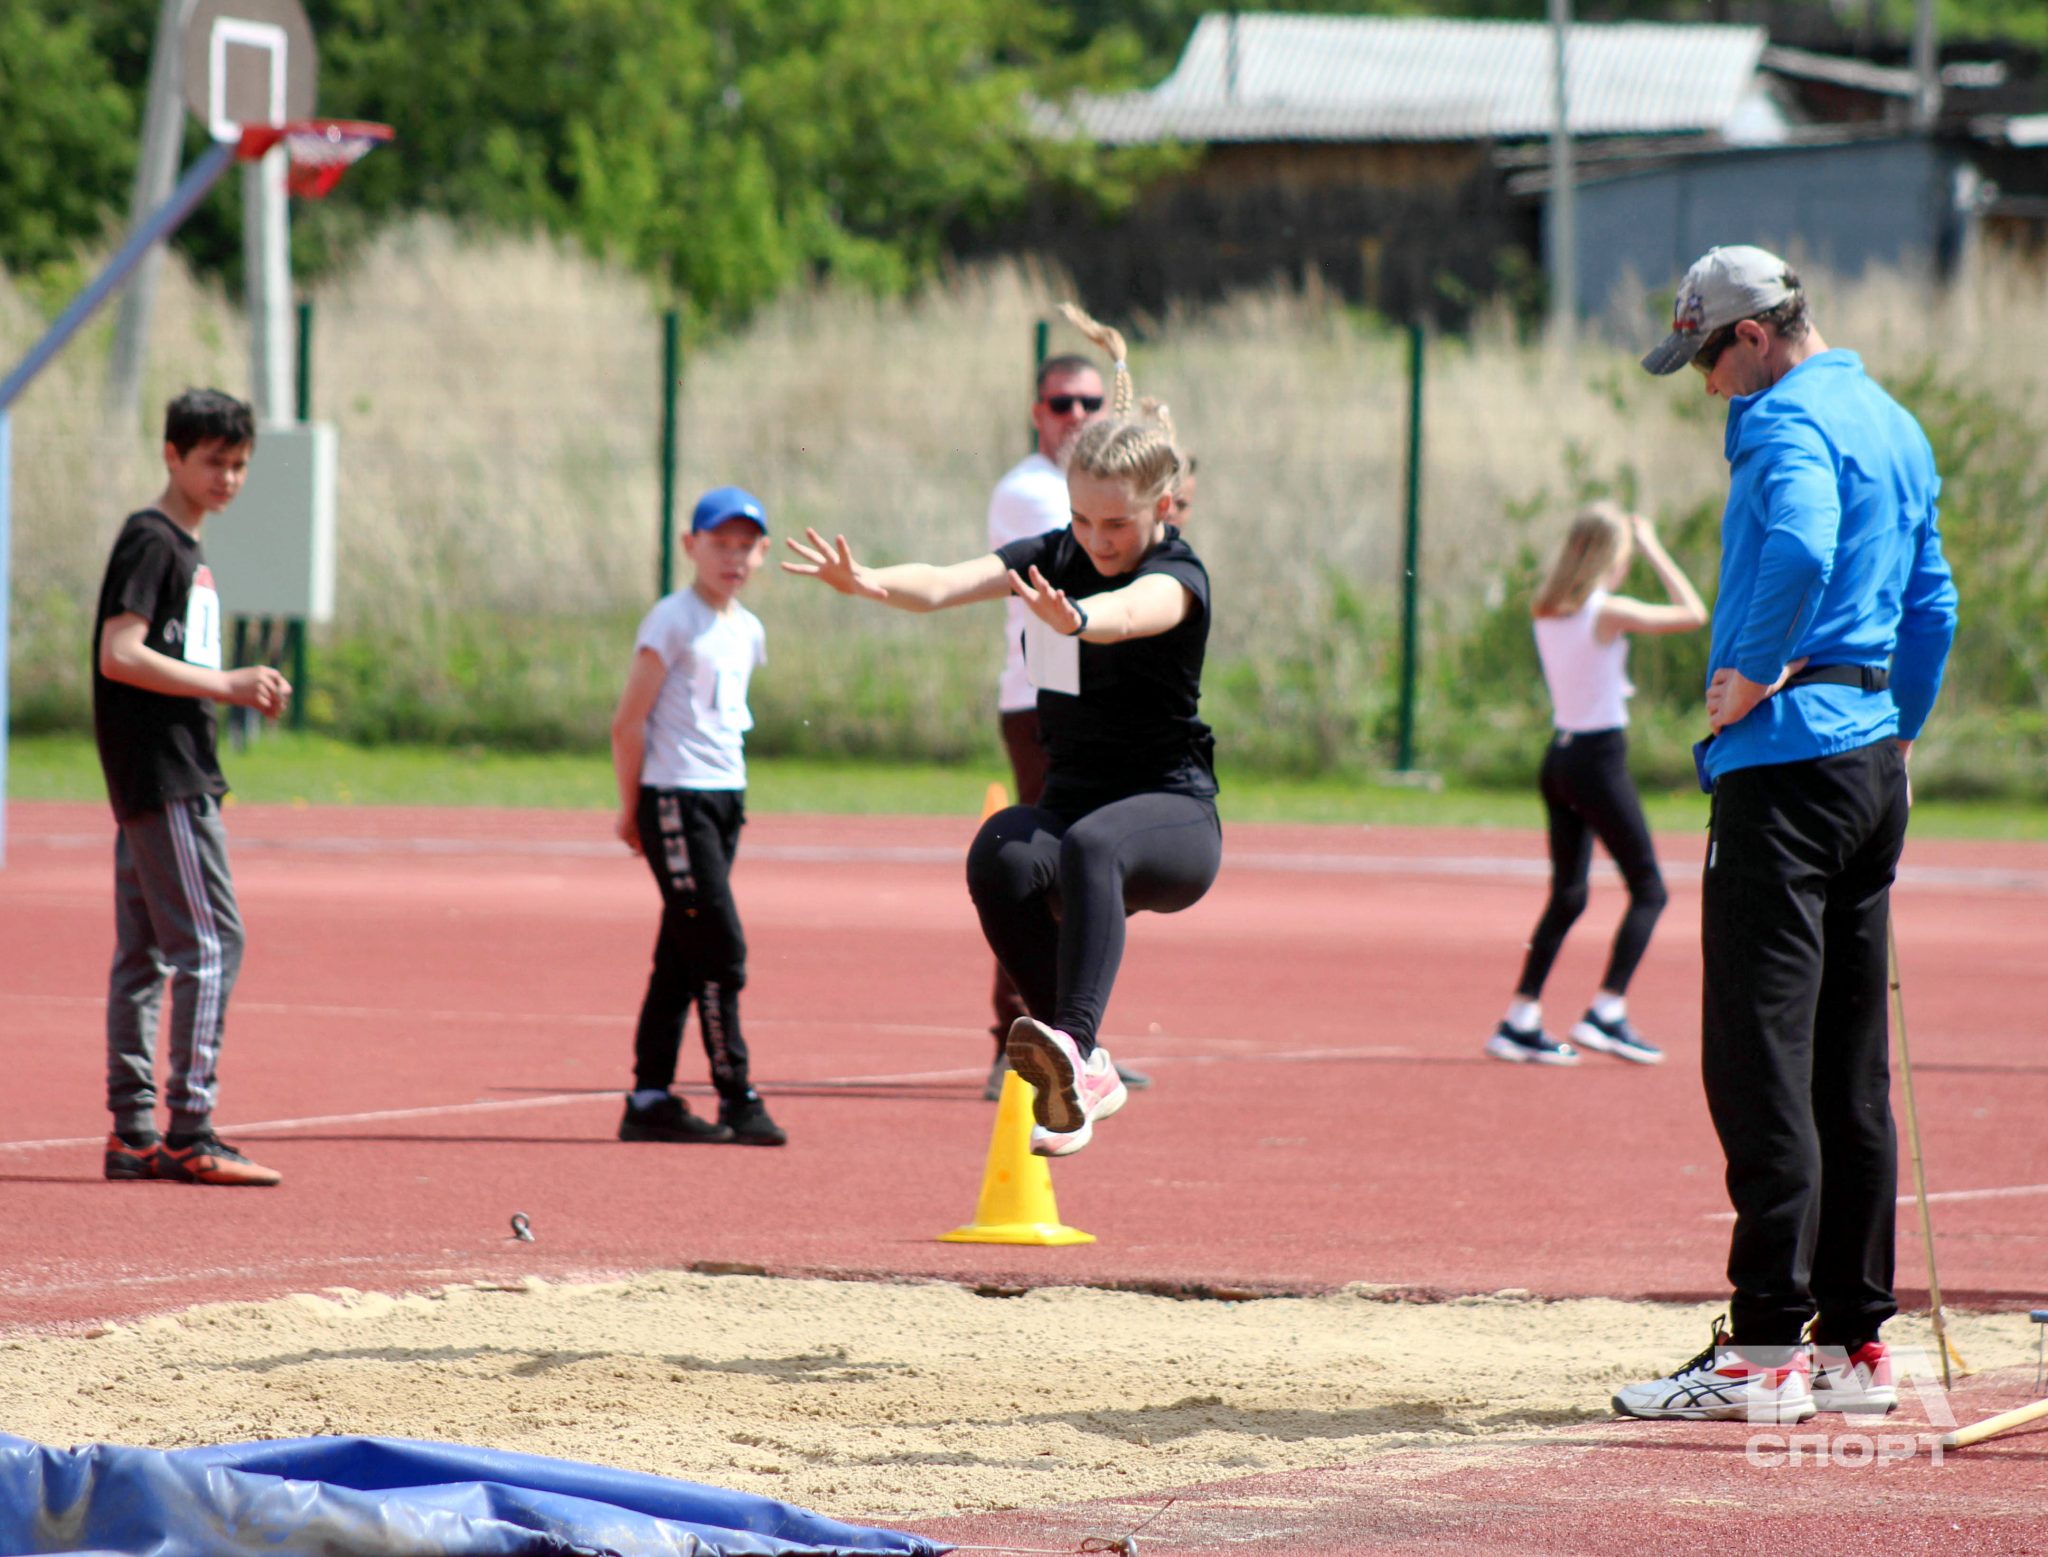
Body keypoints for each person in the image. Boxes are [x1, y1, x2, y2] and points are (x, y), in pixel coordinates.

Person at [1613, 246, 1957, 1422]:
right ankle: (1852, 1348)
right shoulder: (1892, 421)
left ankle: (1761, 1348)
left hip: (1785, 765)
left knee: (1758, 1057)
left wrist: (1752, 671)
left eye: (1707, 356)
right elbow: (1933, 601)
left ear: (1754, 336)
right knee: (1847, 1064)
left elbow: (1803, 543)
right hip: (1868, 764)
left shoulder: (1782, 422)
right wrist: (1898, 732)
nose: (1706, 382)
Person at [787, 303, 1219, 1157]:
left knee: (1093, 845)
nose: (1097, 540)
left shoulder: (1177, 574)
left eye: (1118, 525)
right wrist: (870, 581)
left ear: (1164, 506)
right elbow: (948, 582)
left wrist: (1081, 622)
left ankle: (1080, 1050)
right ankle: (1072, 1057)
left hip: (1169, 817)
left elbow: (1137, 613)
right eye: (1083, 521)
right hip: (1076, 804)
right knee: (1002, 851)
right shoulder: (1054, 554)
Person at [93, 388, 291, 1187]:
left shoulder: (191, 550)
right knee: (212, 944)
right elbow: (120, 652)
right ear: (173, 454)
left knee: (143, 953)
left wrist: (228, 687)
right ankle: (191, 1125)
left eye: (240, 464)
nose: (229, 477)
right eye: (214, 460)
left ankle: (133, 1129)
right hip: (165, 775)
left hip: (163, 775)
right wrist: (230, 683)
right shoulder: (155, 540)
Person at [980, 347, 1151, 1100]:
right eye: (1061, 405)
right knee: (1035, 869)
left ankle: (1073, 1038)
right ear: (1037, 413)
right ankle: (1017, 1037)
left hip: (1095, 704)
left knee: (1083, 871)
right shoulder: (1031, 491)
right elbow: (1097, 555)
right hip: (1042, 702)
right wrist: (1144, 489)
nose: (1076, 416)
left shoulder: (1093, 486)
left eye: (1090, 405)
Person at [1486, 502, 1706, 1067]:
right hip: (1598, 760)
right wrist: (1655, 545)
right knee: (1649, 889)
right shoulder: (1605, 611)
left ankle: (1520, 1018)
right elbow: (1693, 612)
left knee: (1569, 894)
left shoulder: (1547, 608)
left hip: (1559, 759)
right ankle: (1607, 1011)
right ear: (1611, 555)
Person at [609, 486, 786, 1147]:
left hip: (722, 797)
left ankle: (649, 1096)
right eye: (720, 544)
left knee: (681, 954)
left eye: (746, 547)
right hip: (674, 796)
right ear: (690, 546)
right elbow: (629, 722)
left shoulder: (747, 628)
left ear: (762, 554)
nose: (733, 558)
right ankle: (736, 1093)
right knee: (720, 947)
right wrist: (634, 809)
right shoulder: (672, 620)